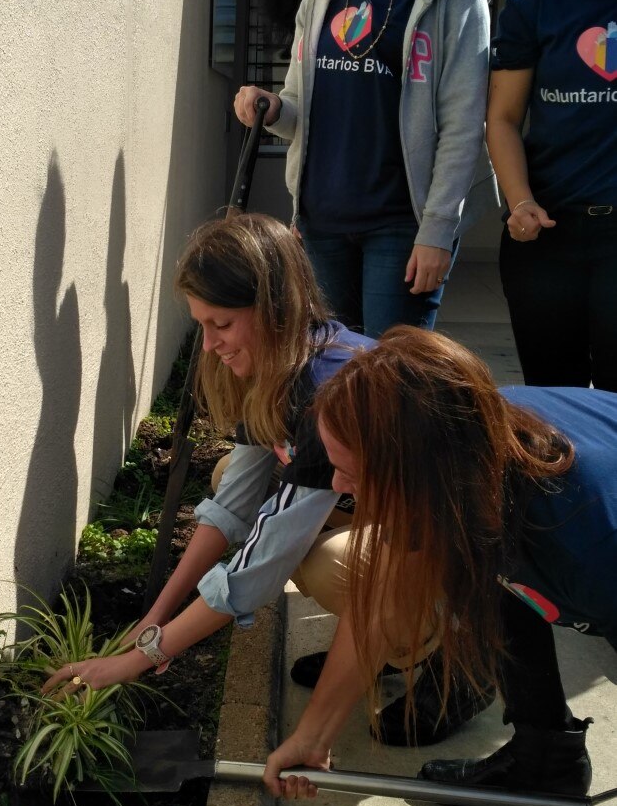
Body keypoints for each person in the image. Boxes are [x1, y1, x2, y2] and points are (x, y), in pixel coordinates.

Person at [44, 215, 491, 745]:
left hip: (464, 553)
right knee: (231, 473)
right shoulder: (278, 366)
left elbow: (266, 560)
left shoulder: (327, 391)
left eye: (222, 324)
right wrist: (156, 617)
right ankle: (380, 634)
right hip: (396, 514)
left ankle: (444, 651)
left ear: (274, 310)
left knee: (328, 566)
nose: (208, 345)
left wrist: (142, 658)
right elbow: (233, 504)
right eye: (201, 324)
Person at [263, 325, 616, 802]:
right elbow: (378, 603)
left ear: (416, 471)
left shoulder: (589, 544)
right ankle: (546, 756)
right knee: (485, 565)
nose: (339, 486)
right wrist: (312, 738)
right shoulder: (453, 448)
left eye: (351, 472)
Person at [234, 0, 497, 339]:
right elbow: (303, 108)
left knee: (389, 384)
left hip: (402, 227)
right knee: (333, 379)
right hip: (321, 224)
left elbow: (464, 125)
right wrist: (272, 107)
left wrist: (439, 231)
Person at [488, 0, 617, 392]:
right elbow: (504, 118)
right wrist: (519, 202)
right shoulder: (534, 5)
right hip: (548, 243)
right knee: (556, 413)